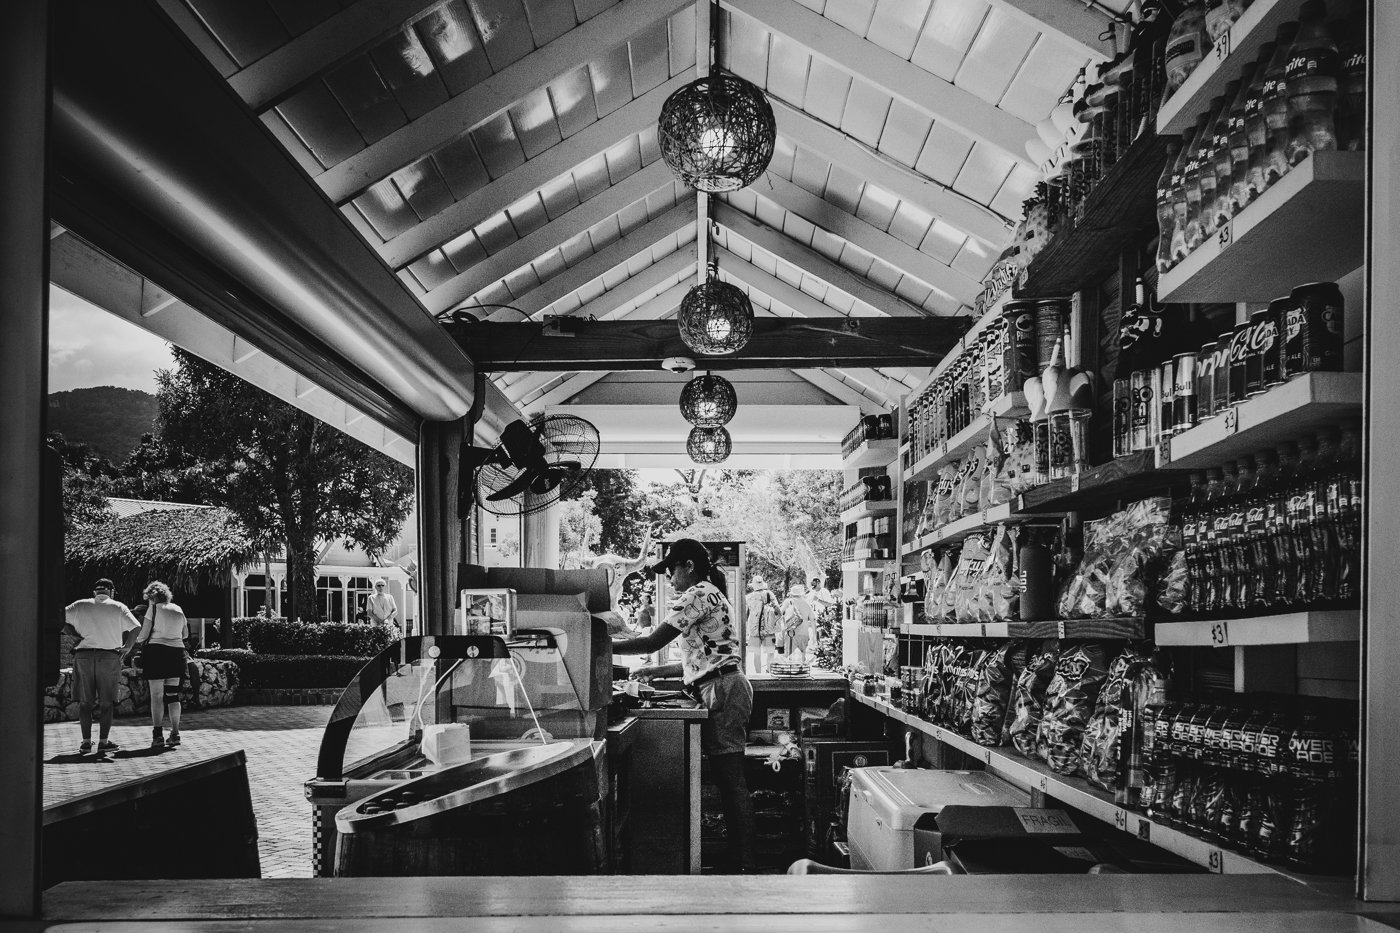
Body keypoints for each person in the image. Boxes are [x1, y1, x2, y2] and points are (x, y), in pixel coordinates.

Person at [611, 538, 756, 873]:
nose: (670, 580)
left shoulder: (699, 593)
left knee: (731, 782)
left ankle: (746, 868)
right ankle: (740, 863)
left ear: (688, 566)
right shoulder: (709, 594)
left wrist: (600, 642)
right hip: (720, 685)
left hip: (723, 689)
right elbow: (699, 659)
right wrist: (652, 669)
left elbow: (651, 640)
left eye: (672, 571)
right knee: (727, 781)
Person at [63, 578, 141, 754]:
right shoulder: (118, 607)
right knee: (107, 702)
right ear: (111, 592)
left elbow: (57, 616)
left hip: (83, 656)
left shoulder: (80, 605)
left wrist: (72, 633)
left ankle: (85, 742)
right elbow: (136, 627)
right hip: (108, 657)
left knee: (85, 702)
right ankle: (103, 742)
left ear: (95, 592)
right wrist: (128, 647)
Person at [125, 581, 191, 749]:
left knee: (156, 696)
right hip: (177, 653)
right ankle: (175, 733)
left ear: (151, 597)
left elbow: (143, 635)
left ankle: (157, 735)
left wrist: (134, 642)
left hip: (156, 653)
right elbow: (185, 634)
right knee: (173, 695)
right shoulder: (178, 609)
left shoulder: (153, 609)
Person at [743, 578, 779, 674]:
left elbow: (745, 616)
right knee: (770, 653)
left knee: (756, 654)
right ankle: (769, 672)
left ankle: (758, 674)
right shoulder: (770, 594)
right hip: (769, 629)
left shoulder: (749, 597)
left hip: (755, 631)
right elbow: (778, 611)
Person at [779, 583, 815, 665]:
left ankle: (790, 674)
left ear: (791, 594)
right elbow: (813, 619)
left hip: (791, 633)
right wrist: (814, 636)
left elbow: (780, 613)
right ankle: (801, 673)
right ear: (801, 594)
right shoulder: (807, 603)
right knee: (802, 655)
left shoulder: (788, 602)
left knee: (789, 656)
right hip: (804, 633)